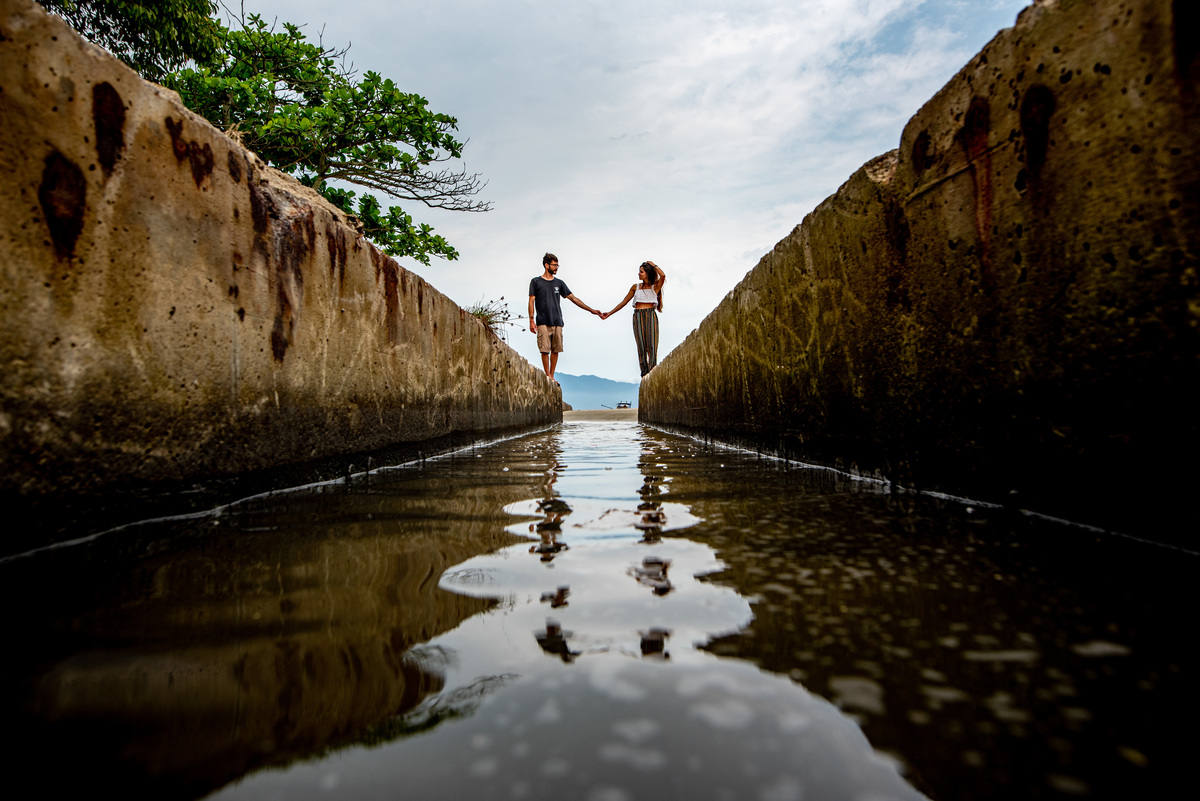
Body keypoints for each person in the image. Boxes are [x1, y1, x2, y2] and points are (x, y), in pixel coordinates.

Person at [528, 252, 602, 383]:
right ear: (546, 265)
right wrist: (531, 320)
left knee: (556, 349)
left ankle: (552, 374)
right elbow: (531, 301)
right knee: (544, 349)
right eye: (554, 265)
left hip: (557, 321)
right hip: (542, 321)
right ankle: (548, 375)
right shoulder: (536, 282)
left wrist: (591, 310)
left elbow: (573, 298)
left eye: (557, 265)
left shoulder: (559, 283)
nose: (556, 267)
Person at [600, 260, 666, 377]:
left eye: (641, 272)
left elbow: (663, 275)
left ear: (647, 273)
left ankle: (653, 371)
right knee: (641, 345)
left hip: (650, 315)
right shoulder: (635, 287)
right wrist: (610, 313)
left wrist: (654, 265)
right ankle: (644, 374)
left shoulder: (654, 287)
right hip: (638, 316)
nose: (639, 274)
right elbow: (623, 302)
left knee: (652, 345)